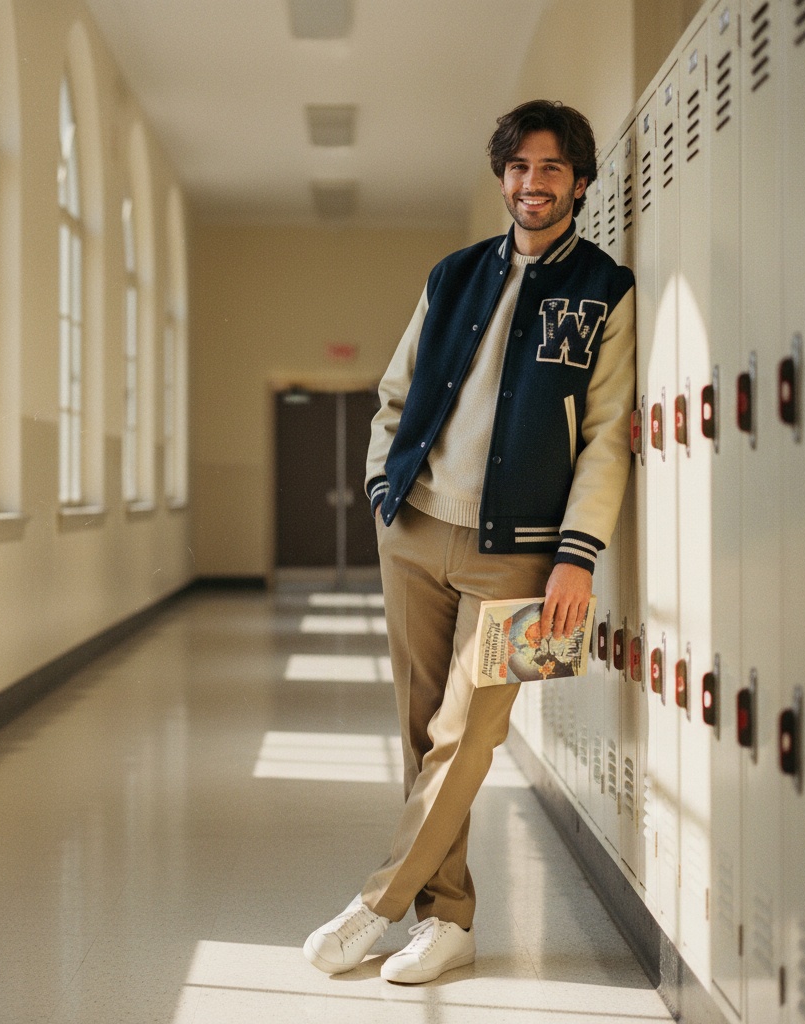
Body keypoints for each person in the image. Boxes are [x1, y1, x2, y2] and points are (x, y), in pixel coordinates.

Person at [303, 99, 636, 985]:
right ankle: (446, 920)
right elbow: (392, 395)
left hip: (523, 555)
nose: (534, 183)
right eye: (521, 167)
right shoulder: (451, 276)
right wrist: (385, 493)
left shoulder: (606, 288)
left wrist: (578, 554)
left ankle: (375, 906)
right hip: (415, 534)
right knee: (420, 732)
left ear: (581, 181)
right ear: (503, 178)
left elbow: (607, 436)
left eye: (553, 168)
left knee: (469, 736)